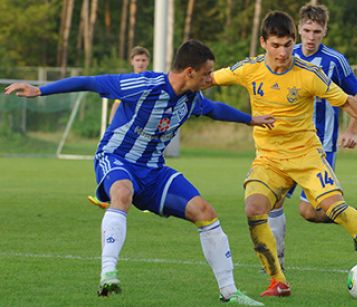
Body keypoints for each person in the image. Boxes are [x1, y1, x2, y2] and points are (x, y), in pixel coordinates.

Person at [5, 39, 271, 306]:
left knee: (206, 212)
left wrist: (250, 119)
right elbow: (90, 82)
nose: (209, 79)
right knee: (122, 192)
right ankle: (108, 272)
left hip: (154, 171)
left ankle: (229, 291)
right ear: (189, 72)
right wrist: (40, 90)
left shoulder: (193, 99)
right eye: (206, 74)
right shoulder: (144, 85)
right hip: (116, 158)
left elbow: (215, 110)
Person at [211, 11, 357, 297]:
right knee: (254, 209)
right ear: (263, 43)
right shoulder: (249, 69)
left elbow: (349, 101)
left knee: (335, 207)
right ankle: (277, 281)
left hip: (307, 157)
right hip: (268, 161)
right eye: (276, 45)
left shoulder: (308, 73)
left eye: (287, 44)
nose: (283, 52)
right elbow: (208, 80)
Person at [267, 3, 357, 271]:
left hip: (322, 147)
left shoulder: (335, 61)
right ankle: (277, 266)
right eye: (307, 30)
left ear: (325, 32)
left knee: (309, 212)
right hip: (285, 146)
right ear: (298, 29)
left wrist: (351, 130)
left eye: (317, 31)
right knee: (272, 201)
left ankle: (356, 217)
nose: (311, 36)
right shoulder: (285, 54)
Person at [88, 46, 151, 209]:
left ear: (148, 62)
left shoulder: (153, 82)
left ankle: (145, 199)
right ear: (132, 62)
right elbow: (117, 104)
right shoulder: (127, 82)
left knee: (143, 164)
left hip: (143, 132)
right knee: (112, 159)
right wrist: (112, 124)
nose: (141, 63)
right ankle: (107, 195)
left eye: (143, 60)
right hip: (125, 131)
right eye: (138, 60)